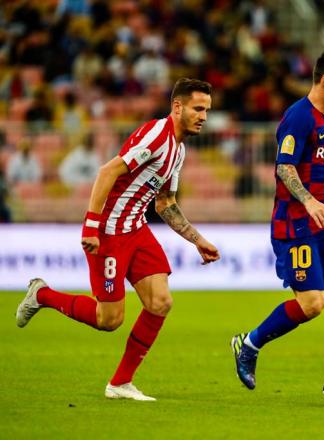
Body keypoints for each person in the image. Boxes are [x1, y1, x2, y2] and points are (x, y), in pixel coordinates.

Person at [15, 78, 220, 401]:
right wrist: (91, 226)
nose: (204, 117)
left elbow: (164, 203)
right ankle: (42, 295)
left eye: (207, 110)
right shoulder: (156, 135)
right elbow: (107, 171)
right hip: (110, 231)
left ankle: (120, 383)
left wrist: (197, 240)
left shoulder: (177, 150)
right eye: (198, 108)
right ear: (177, 107)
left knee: (161, 302)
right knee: (108, 320)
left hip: (136, 229)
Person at [231, 52, 324, 404]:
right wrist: (309, 201)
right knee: (313, 304)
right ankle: (248, 344)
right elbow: (285, 167)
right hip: (295, 225)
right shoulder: (299, 117)